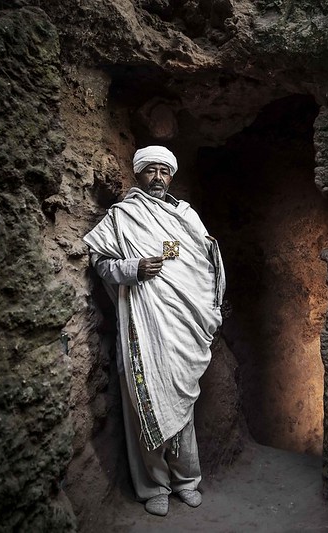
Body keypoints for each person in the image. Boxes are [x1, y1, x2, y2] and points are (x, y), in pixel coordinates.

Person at [83, 146, 225, 516]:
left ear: (172, 176)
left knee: (180, 399)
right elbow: (100, 262)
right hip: (143, 323)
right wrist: (132, 269)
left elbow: (206, 262)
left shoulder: (186, 216)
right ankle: (154, 486)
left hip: (183, 325)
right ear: (138, 174)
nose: (158, 177)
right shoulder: (122, 216)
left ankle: (186, 480)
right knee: (145, 398)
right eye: (151, 170)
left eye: (165, 171)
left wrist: (204, 305)